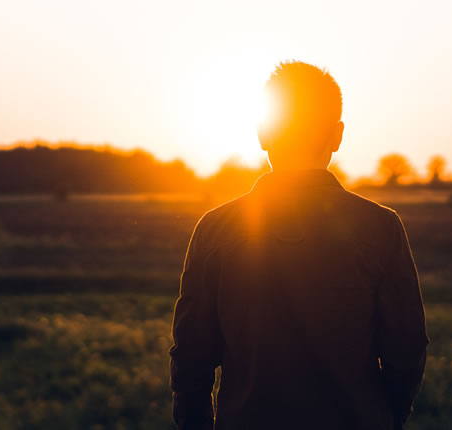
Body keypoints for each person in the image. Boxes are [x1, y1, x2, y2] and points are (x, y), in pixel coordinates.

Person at [169, 61, 429, 430]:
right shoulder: (380, 229)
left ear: (263, 133)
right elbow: (407, 348)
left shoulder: (215, 230)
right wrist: (386, 418)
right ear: (337, 136)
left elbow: (191, 359)